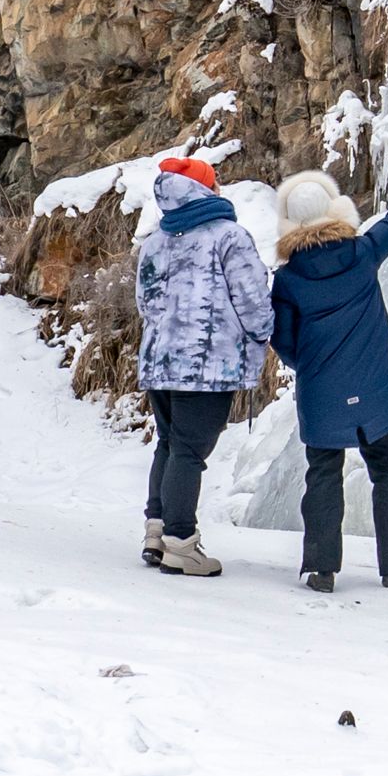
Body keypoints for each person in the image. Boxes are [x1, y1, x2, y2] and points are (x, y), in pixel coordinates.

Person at [270, 167, 388, 593]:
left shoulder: (287, 280)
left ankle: (319, 569)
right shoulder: (362, 252)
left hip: (323, 392)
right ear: (332, 209)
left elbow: (283, 341)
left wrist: (312, 364)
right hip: (378, 387)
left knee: (323, 474)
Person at [129, 153, 265, 578]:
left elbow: (145, 304)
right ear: (206, 189)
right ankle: (181, 545)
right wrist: (261, 336)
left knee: (169, 445)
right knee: (189, 452)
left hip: (159, 361)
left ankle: (158, 532)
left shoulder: (154, 241)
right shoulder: (229, 237)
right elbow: (252, 300)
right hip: (208, 367)